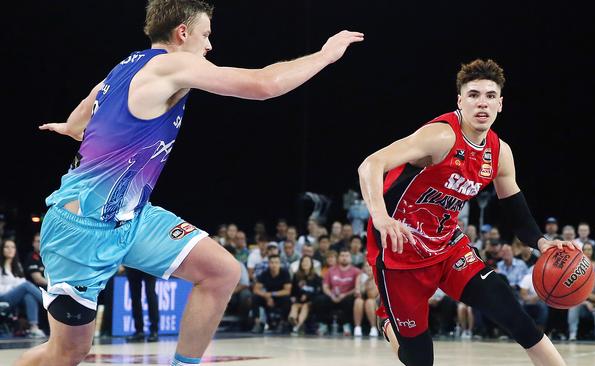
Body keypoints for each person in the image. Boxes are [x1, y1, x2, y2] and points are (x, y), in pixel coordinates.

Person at [17, 1, 363, 364]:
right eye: (206, 34)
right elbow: (264, 85)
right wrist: (324, 56)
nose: (210, 45)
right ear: (182, 32)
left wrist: (72, 130)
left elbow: (80, 117)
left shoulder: (125, 65)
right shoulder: (174, 63)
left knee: (222, 271)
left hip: (132, 219)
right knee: (68, 351)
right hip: (82, 230)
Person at [358, 59, 573, 366]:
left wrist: (541, 243)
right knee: (419, 359)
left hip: (449, 248)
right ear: (460, 101)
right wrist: (380, 216)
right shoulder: (440, 136)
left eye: (489, 95)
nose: (481, 103)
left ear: (500, 103)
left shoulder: (500, 153)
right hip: (399, 251)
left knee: (517, 317)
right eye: (473, 95)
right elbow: (370, 164)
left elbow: (515, 209)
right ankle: (388, 323)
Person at [0, 240, 46, 338]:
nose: (10, 250)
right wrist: (14, 287)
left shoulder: (17, 266)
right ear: (2, 250)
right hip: (3, 297)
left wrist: (17, 286)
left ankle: (34, 327)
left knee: (28, 295)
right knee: (26, 286)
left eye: (12, 247)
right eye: (6, 247)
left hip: (14, 298)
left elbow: (20, 283)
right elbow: (18, 285)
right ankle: (48, 302)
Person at [288, 255, 322, 335]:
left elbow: (317, 291)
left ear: (311, 264)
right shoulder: (296, 276)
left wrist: (307, 296)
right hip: (299, 300)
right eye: (303, 261)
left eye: (307, 262)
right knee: (294, 306)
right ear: (300, 264)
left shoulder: (316, 277)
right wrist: (294, 297)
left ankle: (298, 325)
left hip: (310, 302)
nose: (305, 263)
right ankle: (293, 320)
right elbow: (293, 291)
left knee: (305, 307)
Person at [125, 267, 160, 342]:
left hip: (149, 261)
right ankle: (139, 331)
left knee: (150, 294)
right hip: (132, 263)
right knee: (135, 296)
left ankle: (154, 330)